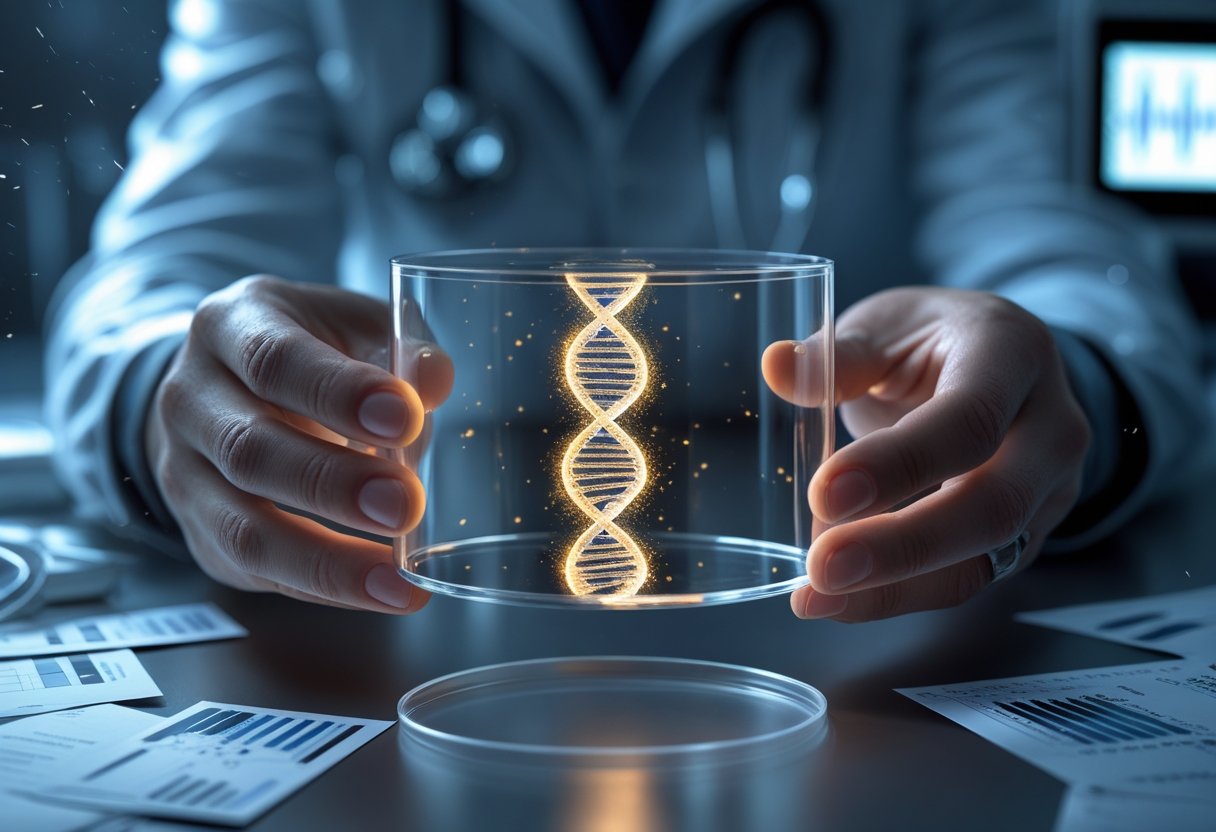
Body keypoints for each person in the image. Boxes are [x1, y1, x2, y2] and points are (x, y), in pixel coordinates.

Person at [44, 0, 1207, 622]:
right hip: (430, 586)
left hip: (822, 597)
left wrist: (1065, 409)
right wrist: (171, 412)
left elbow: (1068, 262)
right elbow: (159, 276)